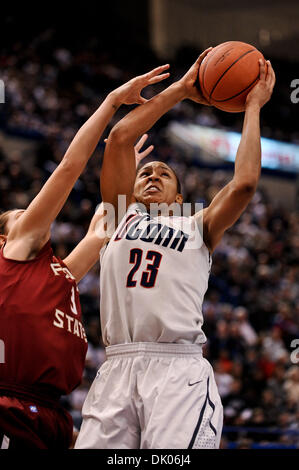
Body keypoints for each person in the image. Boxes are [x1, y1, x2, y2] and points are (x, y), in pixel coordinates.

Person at [75, 49, 275, 449]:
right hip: (116, 368)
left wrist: (252, 107)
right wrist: (183, 88)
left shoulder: (197, 225)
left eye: (163, 173)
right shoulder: (117, 215)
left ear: (180, 195)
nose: (152, 174)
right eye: (146, 171)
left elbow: (244, 184)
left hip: (176, 369)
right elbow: (119, 138)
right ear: (129, 189)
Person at [0, 65, 169, 449]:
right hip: (10, 406)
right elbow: (69, 168)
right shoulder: (15, 253)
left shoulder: (59, 274)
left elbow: (104, 225)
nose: (32, 216)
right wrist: (111, 103)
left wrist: (121, 163)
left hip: (51, 415)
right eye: (22, 216)